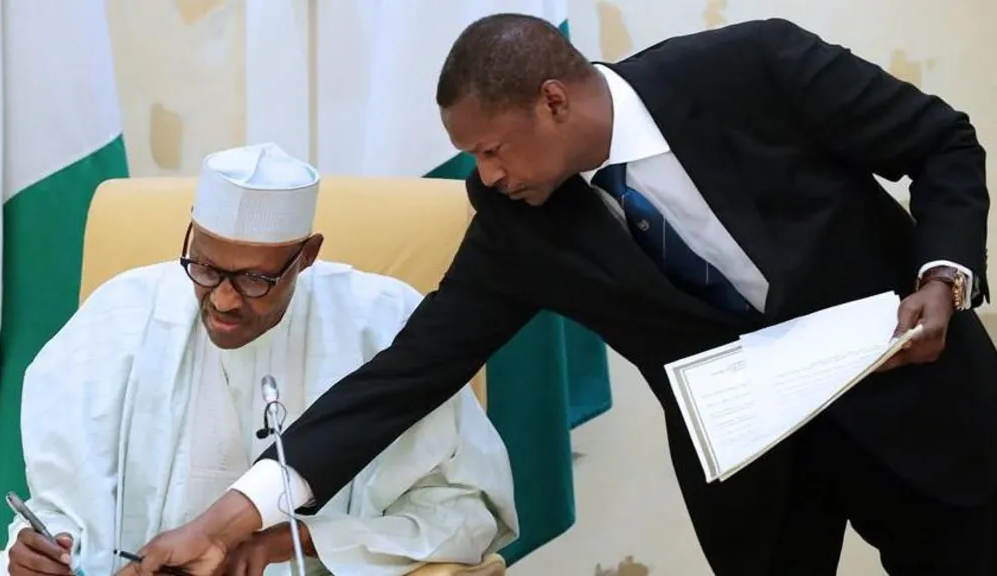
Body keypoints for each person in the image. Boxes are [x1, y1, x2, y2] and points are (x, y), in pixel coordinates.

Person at [128, 15, 995, 576]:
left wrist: (943, 278)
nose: (486, 176)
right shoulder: (519, 225)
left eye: (493, 150)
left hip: (922, 416)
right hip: (757, 480)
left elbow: (945, 146)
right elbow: (407, 374)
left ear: (552, 101)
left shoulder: (751, 67)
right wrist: (232, 513)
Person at [0, 142, 518, 576]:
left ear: (306, 256)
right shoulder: (121, 318)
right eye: (204, 267)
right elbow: (65, 508)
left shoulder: (381, 324)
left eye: (254, 280)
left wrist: (291, 542)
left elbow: (466, 513)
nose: (223, 299)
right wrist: (37, 551)